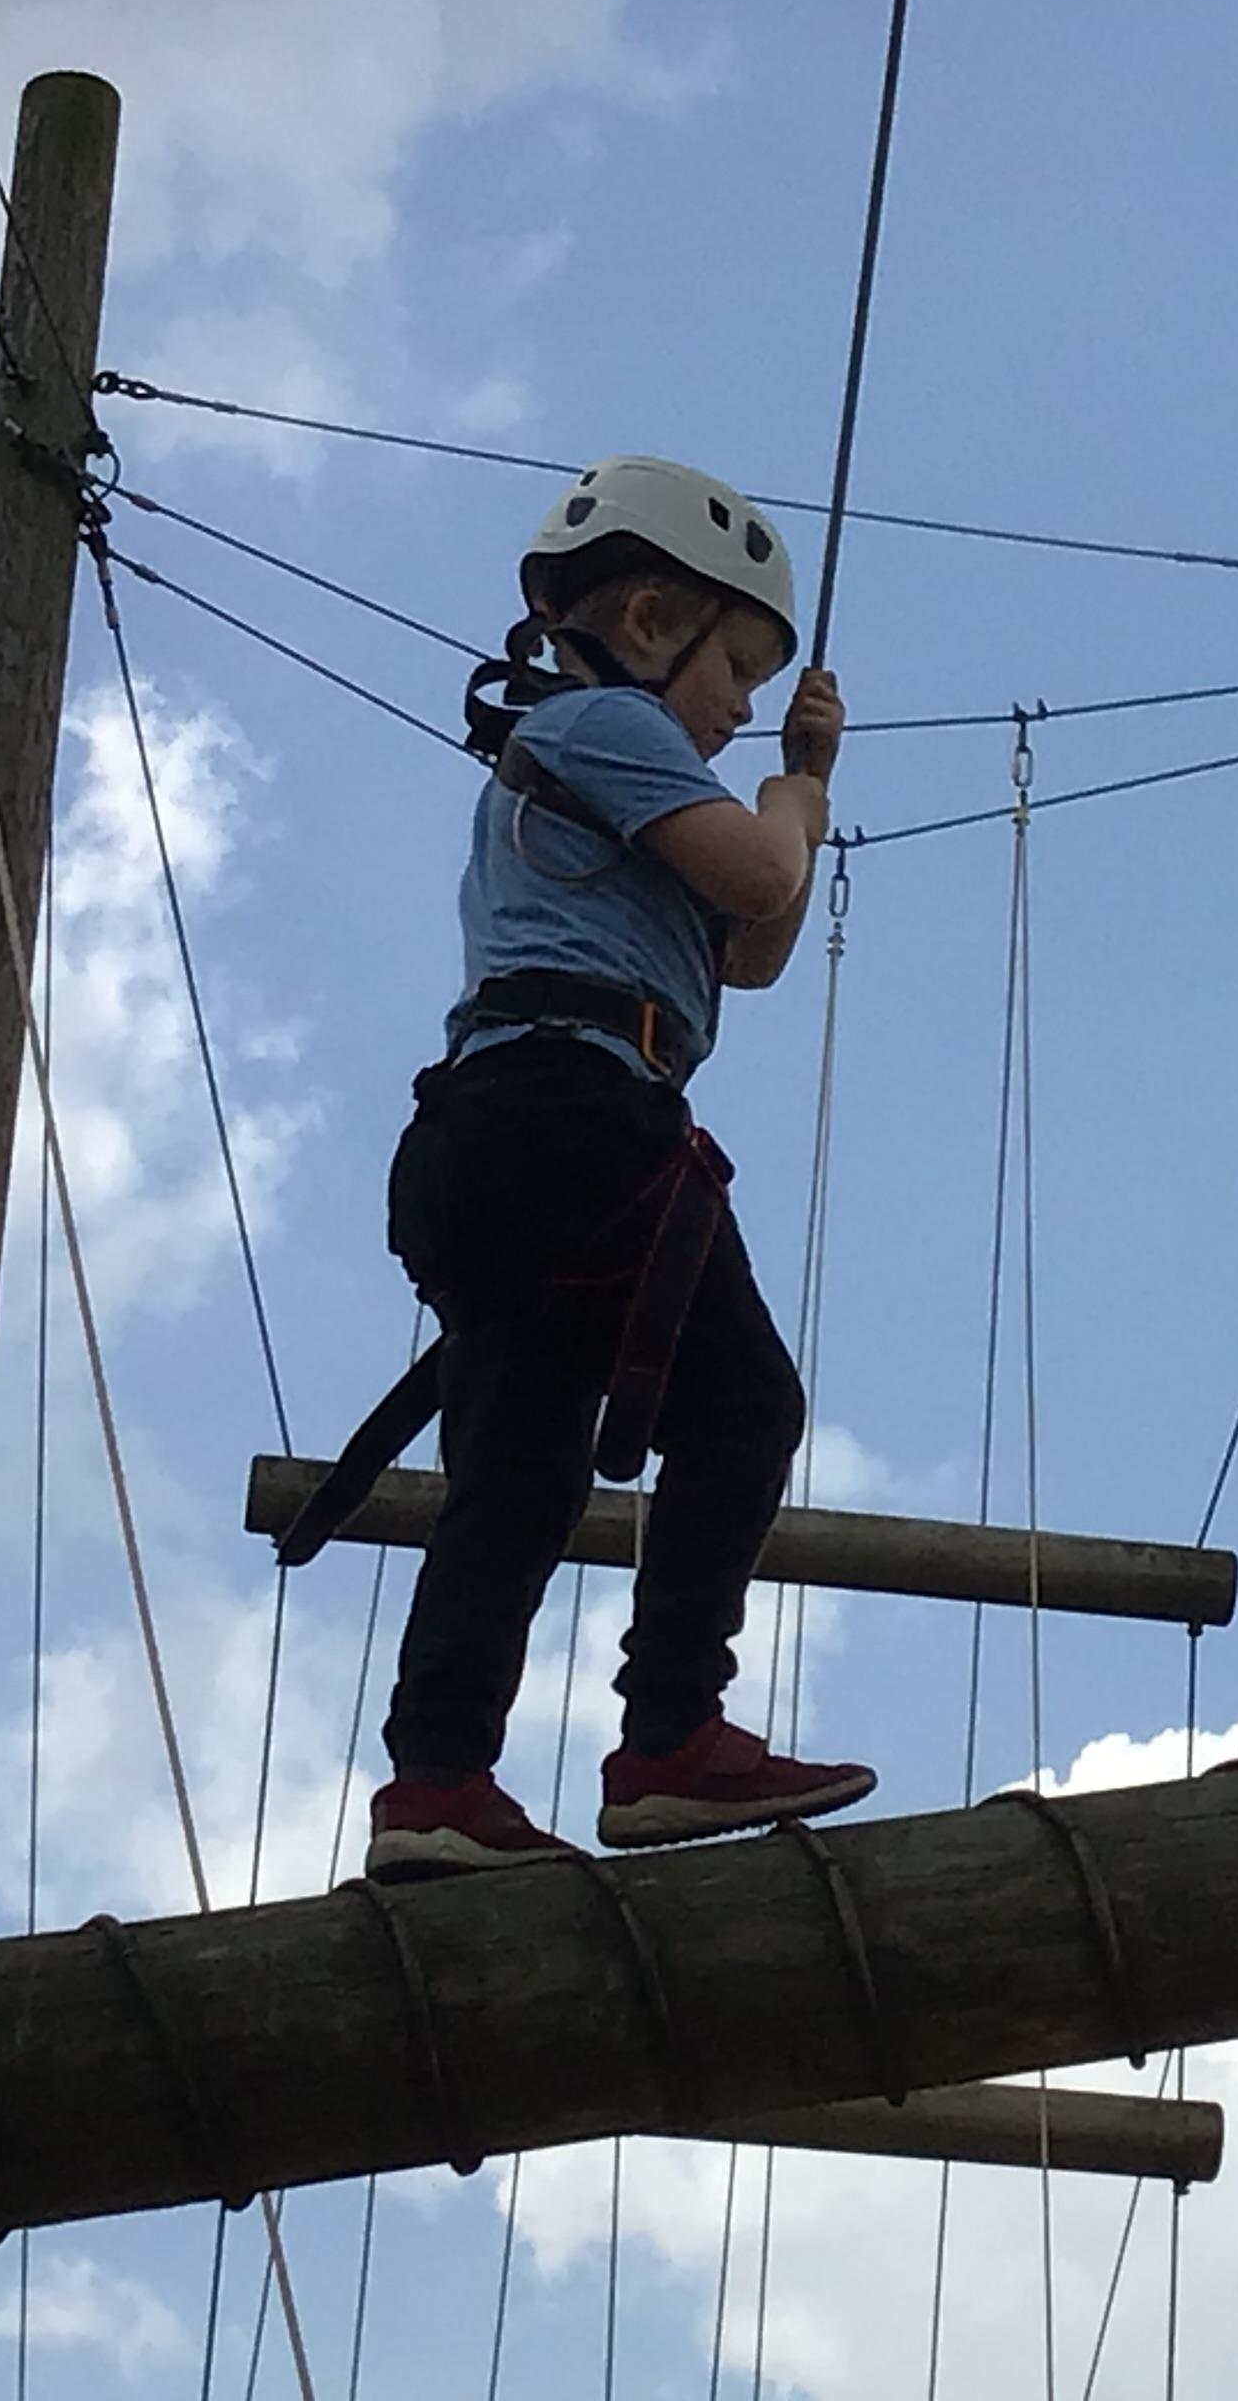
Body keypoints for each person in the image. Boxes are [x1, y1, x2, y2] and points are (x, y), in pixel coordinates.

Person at [362, 455, 876, 1883]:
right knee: (745, 1404)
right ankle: (669, 1735)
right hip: (577, 1112)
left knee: (516, 1475)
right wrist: (791, 807)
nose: (742, 707)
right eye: (737, 669)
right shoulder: (606, 722)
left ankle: (437, 1779)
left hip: (489, 1138)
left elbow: (749, 955)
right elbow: (764, 880)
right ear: (649, 620)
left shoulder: (600, 774)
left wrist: (805, 788)